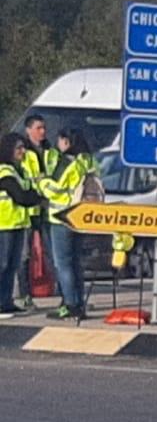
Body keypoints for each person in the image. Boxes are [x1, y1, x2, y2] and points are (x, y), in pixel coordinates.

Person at [37, 128, 97, 320]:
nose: (58, 144)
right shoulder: (88, 161)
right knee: (76, 263)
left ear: (67, 142)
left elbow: (56, 187)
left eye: (60, 140)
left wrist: (41, 182)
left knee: (63, 264)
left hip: (61, 217)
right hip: (81, 217)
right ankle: (79, 303)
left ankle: (71, 305)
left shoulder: (67, 162)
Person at [0, 134, 46, 317]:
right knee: (3, 265)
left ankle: (6, 302)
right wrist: (39, 199)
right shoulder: (5, 172)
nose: (22, 151)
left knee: (11, 266)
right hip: (4, 225)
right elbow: (22, 197)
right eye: (18, 148)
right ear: (9, 149)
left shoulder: (19, 171)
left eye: (23, 147)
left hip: (17, 224)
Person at [15, 114, 55, 309]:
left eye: (44, 128)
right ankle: (25, 295)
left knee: (52, 253)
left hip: (47, 208)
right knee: (24, 255)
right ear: (28, 130)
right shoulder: (22, 152)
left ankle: (62, 293)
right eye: (39, 128)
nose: (43, 132)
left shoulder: (49, 150)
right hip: (28, 210)